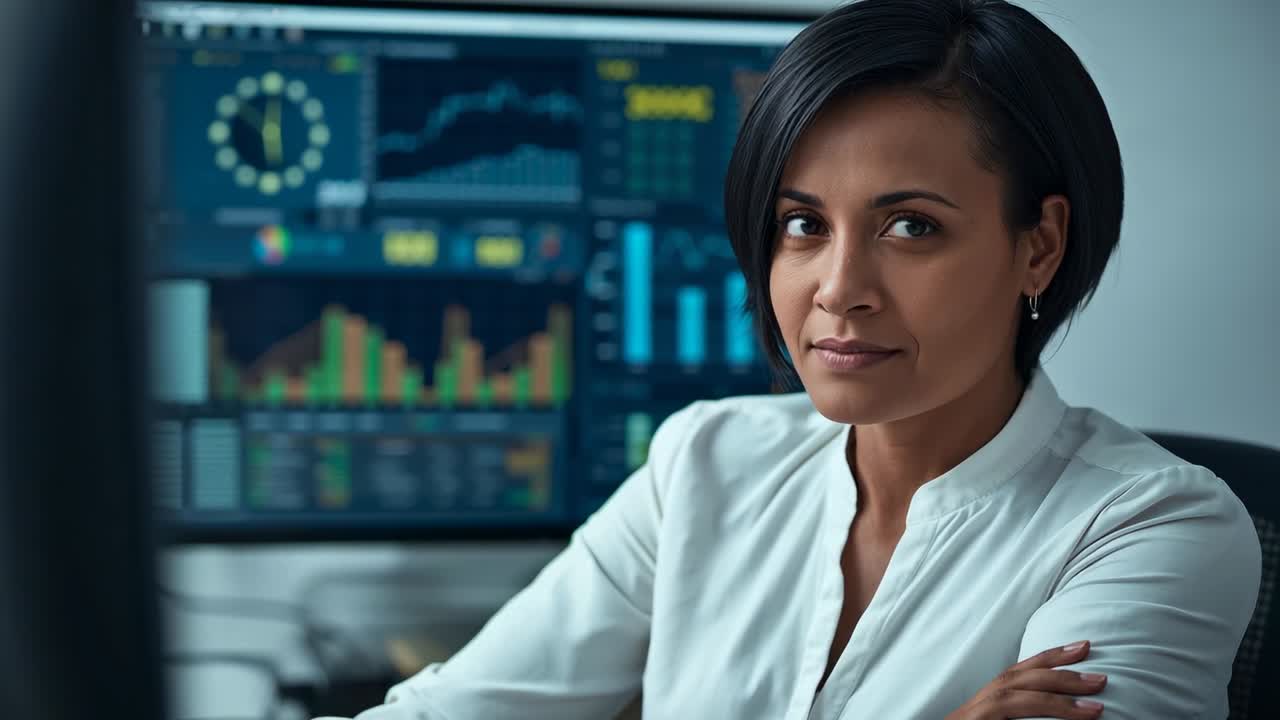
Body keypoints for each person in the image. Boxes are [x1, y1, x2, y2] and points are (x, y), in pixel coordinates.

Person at [319, 0, 1261, 718]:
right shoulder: (704, 463)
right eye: (803, 224)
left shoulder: (1152, 526)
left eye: (910, 226)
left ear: (1039, 246)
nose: (839, 287)